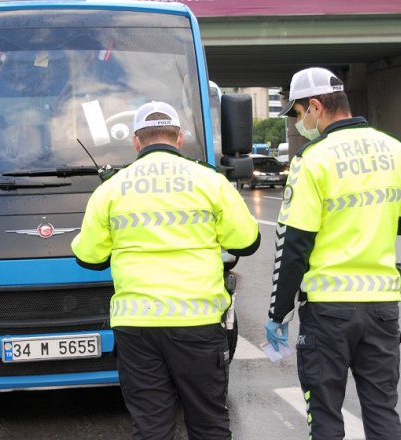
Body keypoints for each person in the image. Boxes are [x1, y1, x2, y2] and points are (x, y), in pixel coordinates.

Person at [72, 101, 260, 440]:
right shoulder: (210, 182)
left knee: (151, 428)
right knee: (209, 424)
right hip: (197, 324)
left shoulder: (111, 189)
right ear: (179, 138)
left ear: (136, 141)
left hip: (137, 327)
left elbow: (88, 257)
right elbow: (247, 242)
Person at [264, 67, 401, 440]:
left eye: (298, 113)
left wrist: (278, 312)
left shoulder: (312, 159)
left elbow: (294, 243)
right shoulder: (394, 149)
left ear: (316, 106)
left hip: (329, 310)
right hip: (382, 307)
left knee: (325, 414)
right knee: (382, 410)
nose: (299, 122)